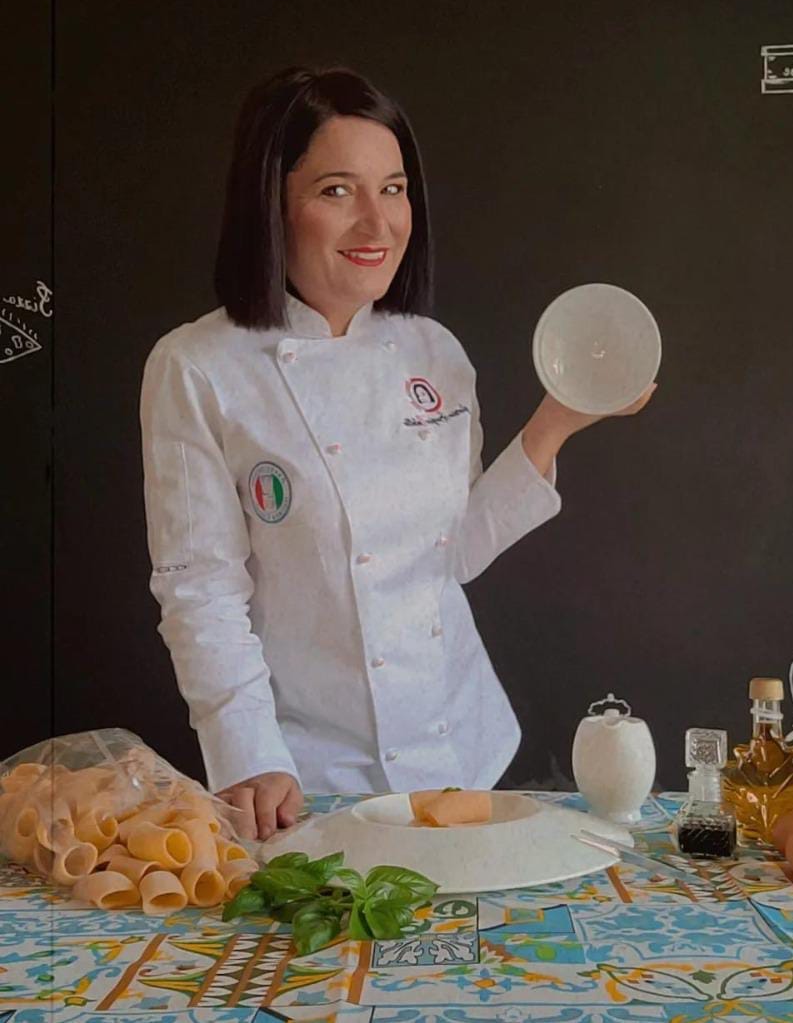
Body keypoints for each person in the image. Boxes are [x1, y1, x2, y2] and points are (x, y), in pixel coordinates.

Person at [140, 66, 655, 840]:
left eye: (394, 189)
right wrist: (247, 754)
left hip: (463, 758)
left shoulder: (434, 352)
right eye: (337, 191)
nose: (377, 224)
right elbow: (200, 591)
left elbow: (453, 554)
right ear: (270, 202)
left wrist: (555, 422)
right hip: (306, 777)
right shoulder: (197, 367)